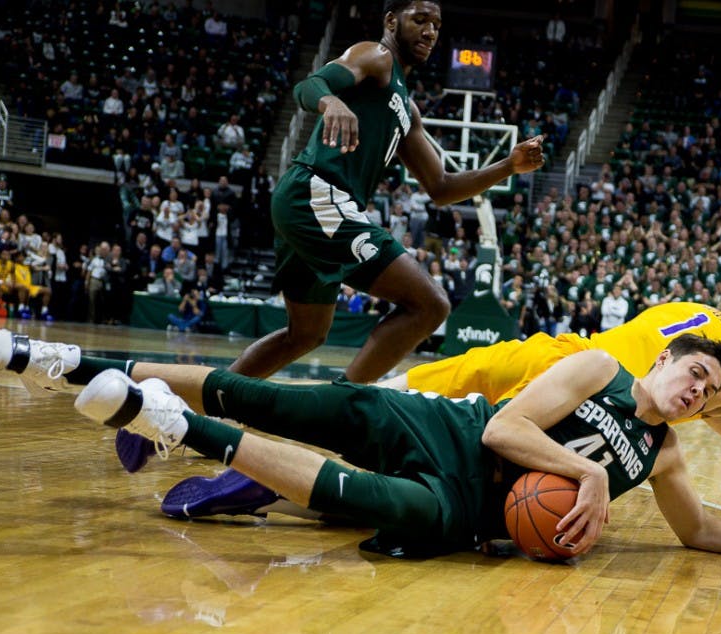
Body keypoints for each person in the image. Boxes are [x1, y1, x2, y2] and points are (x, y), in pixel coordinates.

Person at [0, 276, 721, 562]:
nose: (707, 390)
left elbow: (701, 519)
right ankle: (78, 368)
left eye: (713, 388)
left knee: (369, 445)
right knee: (320, 404)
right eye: (704, 378)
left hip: (520, 367)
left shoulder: (674, 353)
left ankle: (173, 418)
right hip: (522, 400)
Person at [233, 0, 543, 383]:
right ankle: (343, 408)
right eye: (420, 20)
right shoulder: (376, 55)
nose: (430, 31)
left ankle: (200, 407)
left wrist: (508, 166)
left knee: (306, 335)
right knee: (430, 305)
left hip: (314, 204)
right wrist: (330, 101)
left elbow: (441, 187)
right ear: (392, 21)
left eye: (437, 25)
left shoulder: (406, 109)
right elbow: (310, 85)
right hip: (315, 193)